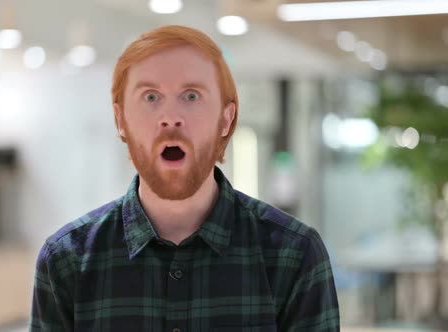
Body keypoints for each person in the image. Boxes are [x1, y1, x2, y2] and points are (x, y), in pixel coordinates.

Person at [30, 25, 339, 332]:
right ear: (121, 120)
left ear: (226, 119)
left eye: (191, 96)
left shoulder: (294, 255)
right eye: (151, 96)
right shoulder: (66, 261)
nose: (170, 117)